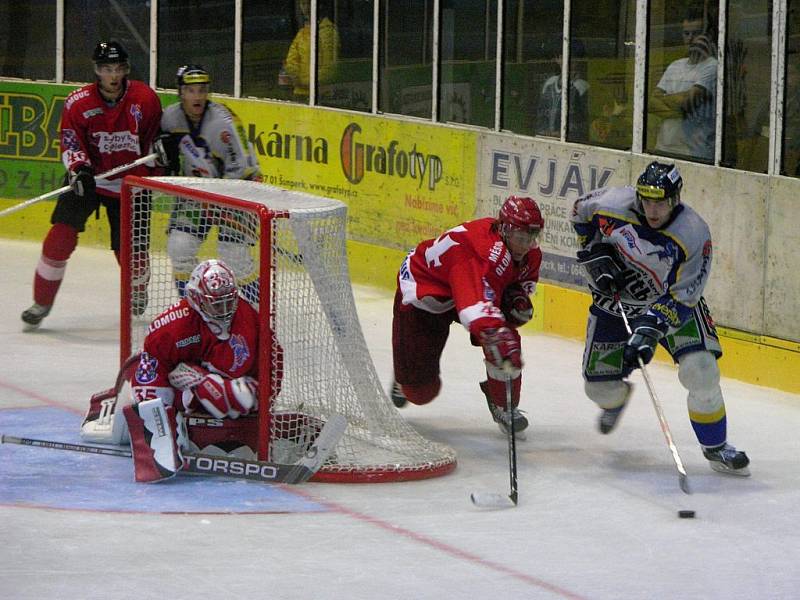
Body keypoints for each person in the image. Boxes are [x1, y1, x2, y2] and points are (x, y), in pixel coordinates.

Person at [571, 161, 750, 476]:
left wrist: (650, 328)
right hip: (616, 306)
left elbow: (686, 294)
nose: (653, 210)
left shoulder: (693, 233)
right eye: (647, 200)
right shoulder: (613, 203)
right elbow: (579, 211)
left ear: (675, 198)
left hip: (670, 303)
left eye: (661, 202)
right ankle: (616, 401)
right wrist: (592, 250)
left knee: (702, 371)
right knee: (598, 390)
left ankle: (716, 447)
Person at [21, 41, 165, 329]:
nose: (113, 76)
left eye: (118, 69)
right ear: (97, 71)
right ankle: (41, 302)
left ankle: (138, 287)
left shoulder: (145, 99)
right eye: (106, 69)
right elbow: (71, 140)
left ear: (125, 70)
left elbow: (154, 139)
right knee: (59, 238)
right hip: (90, 179)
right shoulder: (78, 102)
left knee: (131, 254)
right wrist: (79, 168)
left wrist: (161, 155)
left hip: (131, 184)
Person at [390, 196, 544, 435]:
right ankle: (404, 378)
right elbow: (474, 308)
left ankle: (503, 404)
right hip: (427, 292)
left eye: (531, 238)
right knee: (421, 393)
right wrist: (496, 333)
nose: (526, 245)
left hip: (467, 288)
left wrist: (517, 301)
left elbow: (516, 288)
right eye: (520, 238)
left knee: (505, 337)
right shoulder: (482, 254)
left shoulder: (529, 254)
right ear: (504, 229)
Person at [160, 64, 262, 300]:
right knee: (180, 248)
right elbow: (163, 154)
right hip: (197, 195)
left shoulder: (224, 122)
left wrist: (219, 198)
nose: (197, 96)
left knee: (234, 255)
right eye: (191, 90)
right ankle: (192, 311)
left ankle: (257, 315)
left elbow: (244, 167)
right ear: (180, 92)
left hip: (238, 192)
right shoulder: (169, 118)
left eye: (202, 90)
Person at [650, 8, 717, 161]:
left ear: (706, 36)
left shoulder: (712, 66)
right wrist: (681, 110)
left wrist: (666, 99)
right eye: (686, 33)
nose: (691, 38)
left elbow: (685, 103)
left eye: (696, 33)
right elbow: (651, 103)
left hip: (693, 153)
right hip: (663, 148)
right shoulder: (675, 65)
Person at [279, 0, 341, 101]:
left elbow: (329, 68)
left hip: (321, 94)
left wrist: (303, 82)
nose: (304, 8)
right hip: (300, 93)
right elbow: (291, 59)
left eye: (306, 3)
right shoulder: (303, 32)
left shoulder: (328, 32)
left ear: (318, 6)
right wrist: (294, 76)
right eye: (302, 4)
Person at [536, 40, 590, 140]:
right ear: (557, 59)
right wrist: (542, 131)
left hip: (571, 142)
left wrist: (564, 133)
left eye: (573, 57)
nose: (568, 61)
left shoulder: (582, 86)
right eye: (562, 57)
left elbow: (584, 120)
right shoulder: (549, 83)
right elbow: (541, 113)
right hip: (546, 140)